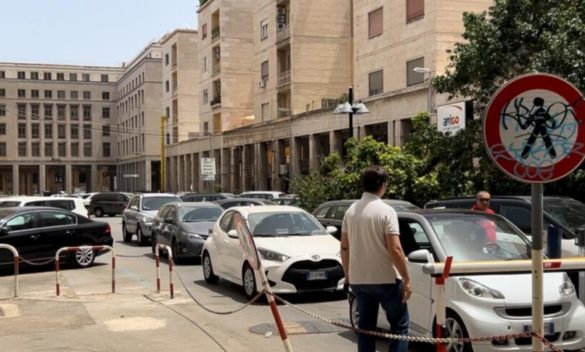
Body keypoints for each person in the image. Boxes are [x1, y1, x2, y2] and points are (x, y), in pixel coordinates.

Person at [340, 166, 412, 352]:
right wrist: (407, 279)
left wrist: (347, 275)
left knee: (365, 329)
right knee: (400, 327)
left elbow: (345, 247)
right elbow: (395, 248)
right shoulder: (386, 211)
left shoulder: (350, 211)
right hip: (386, 279)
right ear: (382, 185)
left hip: (360, 280)